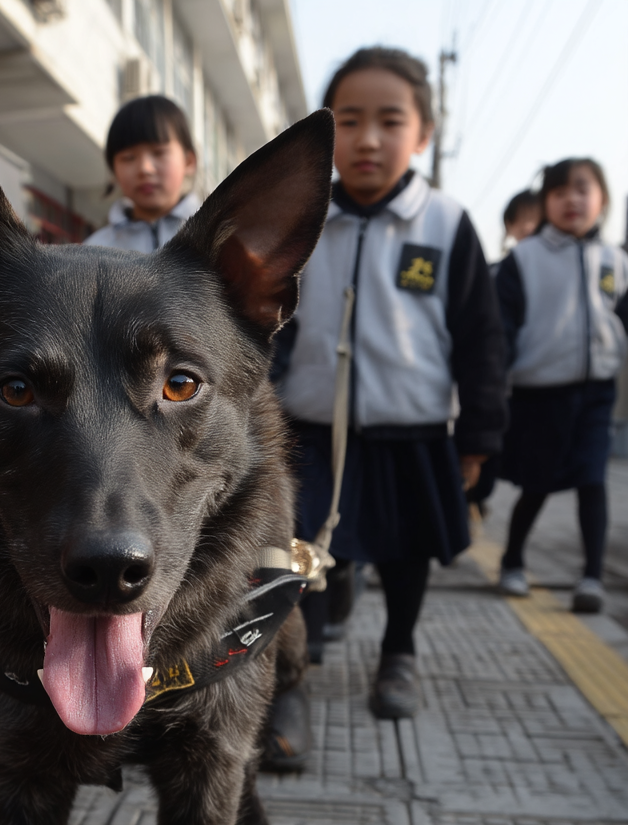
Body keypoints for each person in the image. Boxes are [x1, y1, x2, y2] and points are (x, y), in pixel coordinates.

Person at [268, 46, 507, 745]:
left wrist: (479, 438)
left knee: (407, 552)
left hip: (413, 428)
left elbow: (481, 339)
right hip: (310, 429)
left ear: (423, 133)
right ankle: (291, 678)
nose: (368, 139)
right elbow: (269, 327)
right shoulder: (301, 219)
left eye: (390, 121)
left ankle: (398, 652)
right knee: (298, 555)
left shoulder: (447, 224)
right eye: (348, 120)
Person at [495, 158, 628, 612]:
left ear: (602, 199)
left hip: (596, 392)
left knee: (593, 480)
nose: (572, 199)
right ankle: (512, 560)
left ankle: (591, 577)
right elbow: (503, 330)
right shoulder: (525, 259)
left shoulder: (616, 261)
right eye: (559, 192)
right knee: (537, 483)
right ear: (545, 202)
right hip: (539, 394)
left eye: (582, 189)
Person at [469, 189, 543, 520]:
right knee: (484, 463)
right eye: (519, 220)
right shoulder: (493, 272)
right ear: (508, 226)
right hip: (493, 384)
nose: (527, 227)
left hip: (528, 388)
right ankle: (471, 504)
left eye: (534, 219)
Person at [84, 95, 198, 252]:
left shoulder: (218, 239)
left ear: (189, 161)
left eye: (159, 153)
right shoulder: (95, 251)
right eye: (129, 158)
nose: (145, 169)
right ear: (113, 170)